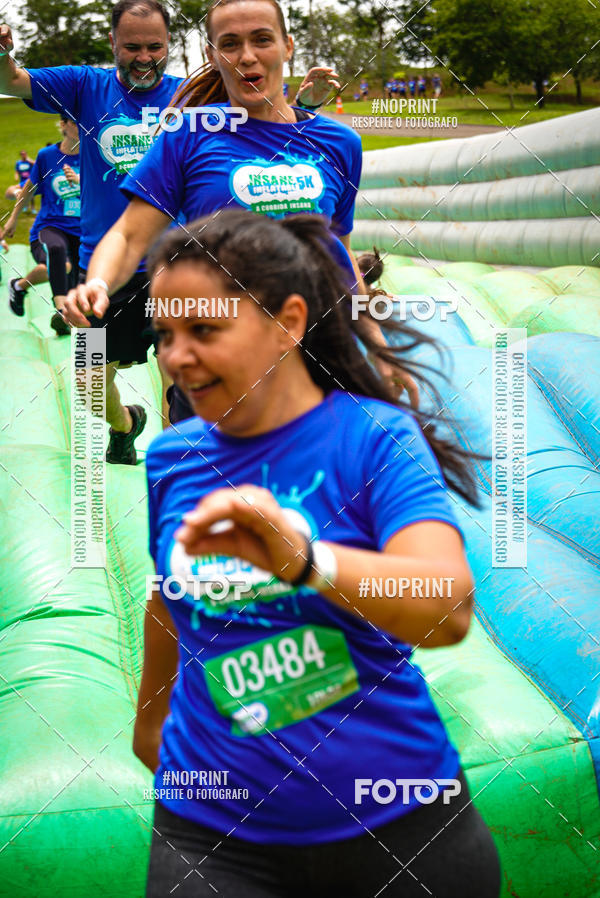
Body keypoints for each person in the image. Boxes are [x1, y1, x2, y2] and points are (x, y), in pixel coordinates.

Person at [135, 209, 501, 898]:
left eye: (203, 330)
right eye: (163, 334)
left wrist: (305, 561)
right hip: (211, 836)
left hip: (399, 826)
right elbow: (169, 593)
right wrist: (150, 725)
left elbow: (446, 610)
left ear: (290, 322)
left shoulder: (372, 438)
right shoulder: (170, 460)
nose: (175, 357)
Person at [0, 3, 339, 462]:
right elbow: (12, 82)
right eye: (133, 47)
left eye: (155, 47)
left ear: (169, 46)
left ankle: (174, 468)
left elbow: (263, 121)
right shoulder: (84, 86)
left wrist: (309, 107)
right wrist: (3, 56)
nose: (145, 57)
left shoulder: (192, 100)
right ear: (114, 44)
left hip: (177, 269)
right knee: (88, 380)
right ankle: (125, 424)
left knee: (178, 380)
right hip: (107, 266)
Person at [61, 0, 417, 423]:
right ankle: (130, 426)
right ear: (213, 56)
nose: (246, 56)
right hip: (214, 363)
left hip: (311, 358)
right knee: (201, 481)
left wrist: (376, 345)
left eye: (261, 39)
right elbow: (128, 234)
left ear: (287, 47)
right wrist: (98, 284)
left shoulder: (339, 143)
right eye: (229, 43)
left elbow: (338, 251)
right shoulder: (187, 134)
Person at [1, 115, 81, 335]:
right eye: (75, 121)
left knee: (84, 295)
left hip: (85, 234)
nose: (82, 126)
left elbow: (110, 191)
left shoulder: (94, 156)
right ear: (63, 125)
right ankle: (61, 308)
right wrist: (14, 216)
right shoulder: (47, 157)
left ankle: (22, 288)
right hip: (51, 228)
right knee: (58, 255)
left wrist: (79, 182)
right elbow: (26, 189)